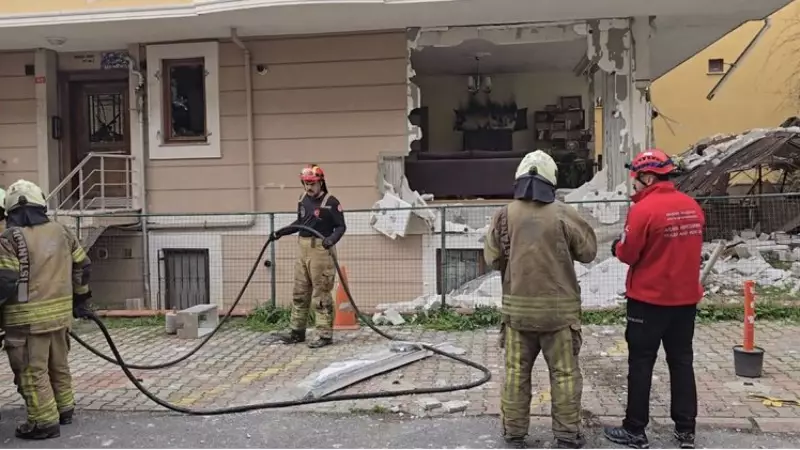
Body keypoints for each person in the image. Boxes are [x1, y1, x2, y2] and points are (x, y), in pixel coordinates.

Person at [484, 150, 598, 449]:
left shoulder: (503, 215)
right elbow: (588, 253)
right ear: (551, 180)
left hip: (517, 315)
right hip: (559, 316)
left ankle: (514, 433)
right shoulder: (564, 213)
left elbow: (492, 259)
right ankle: (567, 435)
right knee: (564, 375)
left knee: (515, 375)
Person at [603, 149, 705, 450]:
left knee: (641, 363)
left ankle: (635, 429)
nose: (633, 184)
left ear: (648, 178)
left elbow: (629, 253)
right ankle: (685, 430)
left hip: (648, 301)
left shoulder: (643, 210)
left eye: (635, 179)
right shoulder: (692, 207)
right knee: (682, 362)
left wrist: (616, 247)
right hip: (685, 301)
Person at [0, 179, 92, 440]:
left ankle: (44, 423)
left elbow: (5, 280)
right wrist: (80, 301)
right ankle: (64, 408)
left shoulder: (9, 238)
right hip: (60, 318)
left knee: (32, 372)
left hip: (26, 323)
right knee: (58, 365)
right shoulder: (62, 231)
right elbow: (83, 266)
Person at [274, 164, 346, 348]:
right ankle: (297, 331)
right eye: (306, 183)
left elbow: (341, 226)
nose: (309, 187)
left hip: (321, 249)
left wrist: (331, 239)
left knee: (321, 293)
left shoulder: (331, 202)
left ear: (321, 182)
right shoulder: (303, 199)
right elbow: (301, 222)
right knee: (300, 292)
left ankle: (324, 334)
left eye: (312, 183)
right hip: (303, 248)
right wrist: (282, 232)